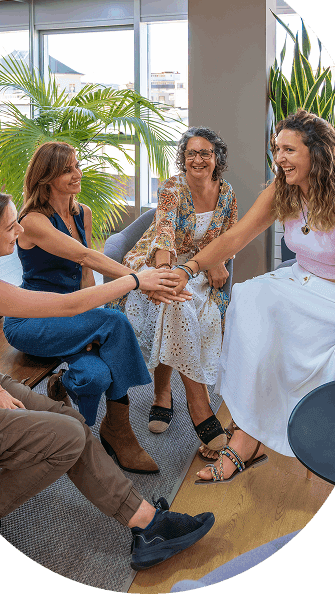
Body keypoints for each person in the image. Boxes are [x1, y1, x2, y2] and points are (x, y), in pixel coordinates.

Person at [0, 189, 214, 571]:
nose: (18, 229)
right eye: (9, 225)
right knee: (66, 437)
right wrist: (135, 280)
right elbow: (68, 306)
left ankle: (147, 524)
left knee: (74, 424)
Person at [181, 110, 335, 483]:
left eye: (289, 150)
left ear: (318, 153)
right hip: (301, 280)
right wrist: (189, 269)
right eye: (276, 149)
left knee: (281, 325)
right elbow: (234, 239)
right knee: (249, 299)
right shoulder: (281, 190)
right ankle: (249, 429)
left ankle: (250, 439)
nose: (279, 158)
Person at [2, 141, 185, 474]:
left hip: (72, 314)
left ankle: (73, 422)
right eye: (67, 169)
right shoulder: (33, 221)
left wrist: (89, 321)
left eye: (77, 165)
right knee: (115, 323)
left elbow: (86, 274)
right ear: (46, 178)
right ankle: (120, 431)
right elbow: (84, 255)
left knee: (96, 375)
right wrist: (139, 279)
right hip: (33, 318)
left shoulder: (80, 212)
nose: (77, 174)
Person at [111, 127, 237, 459]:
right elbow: (164, 233)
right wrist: (164, 276)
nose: (197, 159)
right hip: (156, 261)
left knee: (180, 306)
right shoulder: (172, 188)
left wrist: (218, 259)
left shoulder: (227, 194)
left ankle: (162, 394)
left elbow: (230, 237)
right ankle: (200, 405)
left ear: (216, 158)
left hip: (197, 267)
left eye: (205, 153)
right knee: (174, 302)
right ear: (183, 158)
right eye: (190, 153)